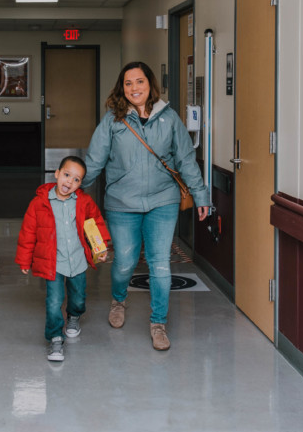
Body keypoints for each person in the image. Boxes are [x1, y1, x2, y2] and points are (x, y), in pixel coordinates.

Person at [83, 61, 211, 351]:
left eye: (139, 82)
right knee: (125, 262)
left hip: (162, 200)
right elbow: (94, 161)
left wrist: (201, 195)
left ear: (150, 84)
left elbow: (186, 160)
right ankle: (118, 300)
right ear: (122, 88)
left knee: (160, 264)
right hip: (121, 202)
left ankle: (158, 323)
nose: (134, 88)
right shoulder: (112, 120)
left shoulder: (169, 119)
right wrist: (69, 190)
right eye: (128, 83)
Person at [15, 156, 110, 362]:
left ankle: (74, 316)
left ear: (80, 184)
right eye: (67, 175)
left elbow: (95, 224)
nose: (69, 182)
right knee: (54, 301)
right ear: (57, 174)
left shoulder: (84, 202)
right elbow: (28, 232)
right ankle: (55, 338)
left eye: (76, 180)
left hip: (77, 260)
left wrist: (100, 247)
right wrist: (25, 260)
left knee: (78, 298)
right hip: (53, 263)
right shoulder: (39, 203)